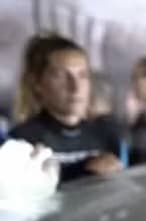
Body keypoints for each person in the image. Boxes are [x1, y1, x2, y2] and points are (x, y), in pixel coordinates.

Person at [10, 34, 124, 182]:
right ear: (37, 83)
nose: (75, 87)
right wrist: (83, 170)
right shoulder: (22, 141)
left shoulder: (105, 134)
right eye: (61, 76)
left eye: (82, 75)